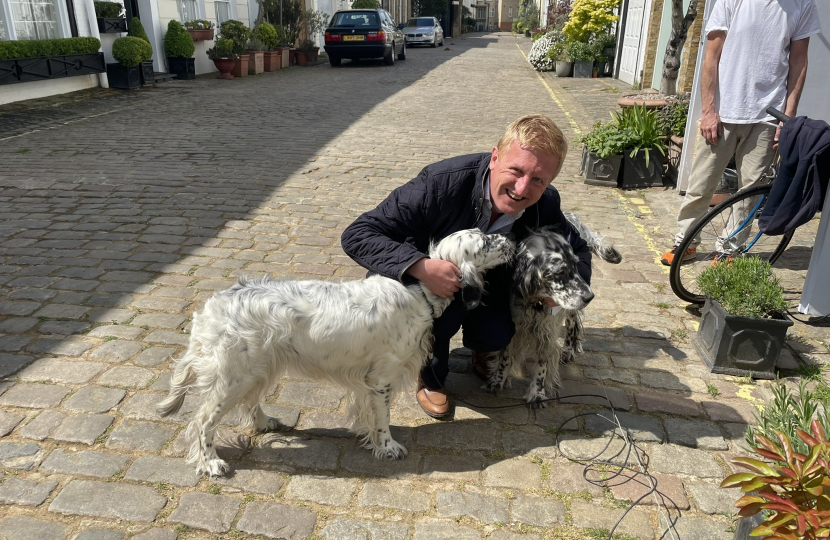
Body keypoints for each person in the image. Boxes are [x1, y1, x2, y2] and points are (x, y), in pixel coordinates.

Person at [341, 114, 592, 419]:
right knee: (437, 320)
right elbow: (359, 234)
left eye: (538, 179)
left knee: (498, 332)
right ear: (495, 158)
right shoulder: (438, 184)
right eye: (516, 170)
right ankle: (430, 376)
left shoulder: (545, 203)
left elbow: (577, 248)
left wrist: (561, 292)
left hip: (490, 284)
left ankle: (482, 348)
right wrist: (419, 266)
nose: (523, 187)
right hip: (425, 285)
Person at [660, 0, 821, 266]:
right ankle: (685, 242)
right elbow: (711, 55)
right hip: (724, 111)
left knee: (751, 191)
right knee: (701, 183)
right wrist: (709, 110)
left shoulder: (802, 4)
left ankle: (730, 248)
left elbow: (799, 61)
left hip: (769, 115)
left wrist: (787, 118)